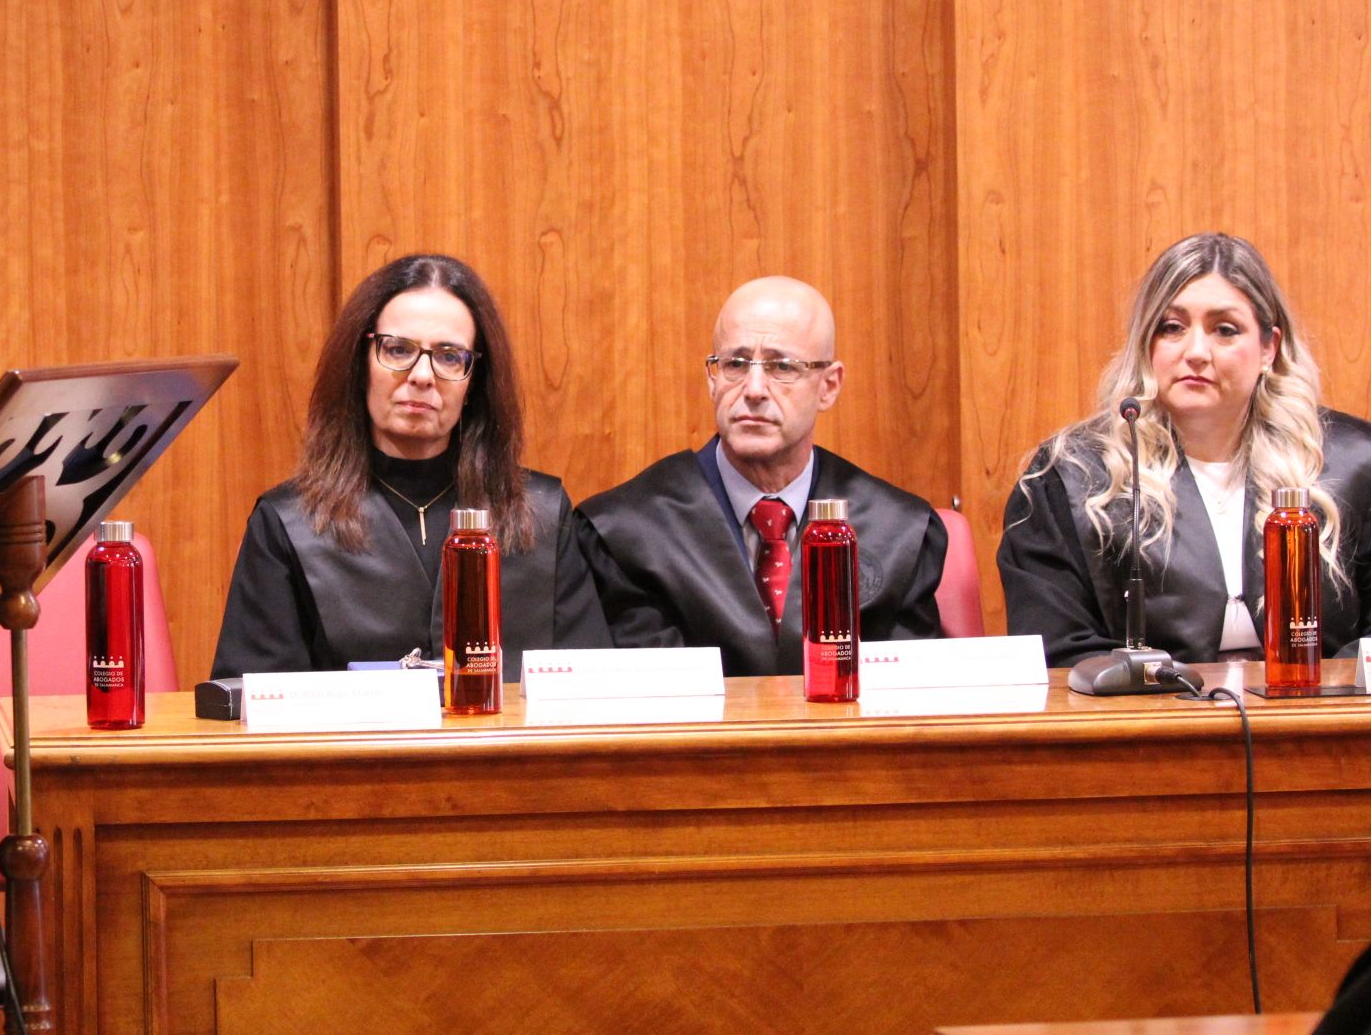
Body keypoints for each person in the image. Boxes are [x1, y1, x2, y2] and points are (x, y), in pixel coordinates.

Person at [210, 253, 611, 678]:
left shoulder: (545, 515)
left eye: (449, 356)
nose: (422, 375)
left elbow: (593, 696)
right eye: (398, 350)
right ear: (360, 364)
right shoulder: (287, 523)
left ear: (475, 380)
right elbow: (248, 709)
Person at [1000, 232, 1371, 666]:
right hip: (1146, 727)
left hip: (1319, 724)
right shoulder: (1071, 477)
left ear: (1268, 348)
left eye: (1225, 330)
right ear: (1146, 343)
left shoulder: (1353, 464)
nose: (1196, 352)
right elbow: (1056, 649)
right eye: (1172, 328)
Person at [576, 276, 944, 675]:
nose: (753, 389)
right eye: (735, 364)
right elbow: (652, 702)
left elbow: (908, 703)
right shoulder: (626, 532)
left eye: (782, 366)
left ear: (829, 386)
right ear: (711, 379)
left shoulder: (900, 531)